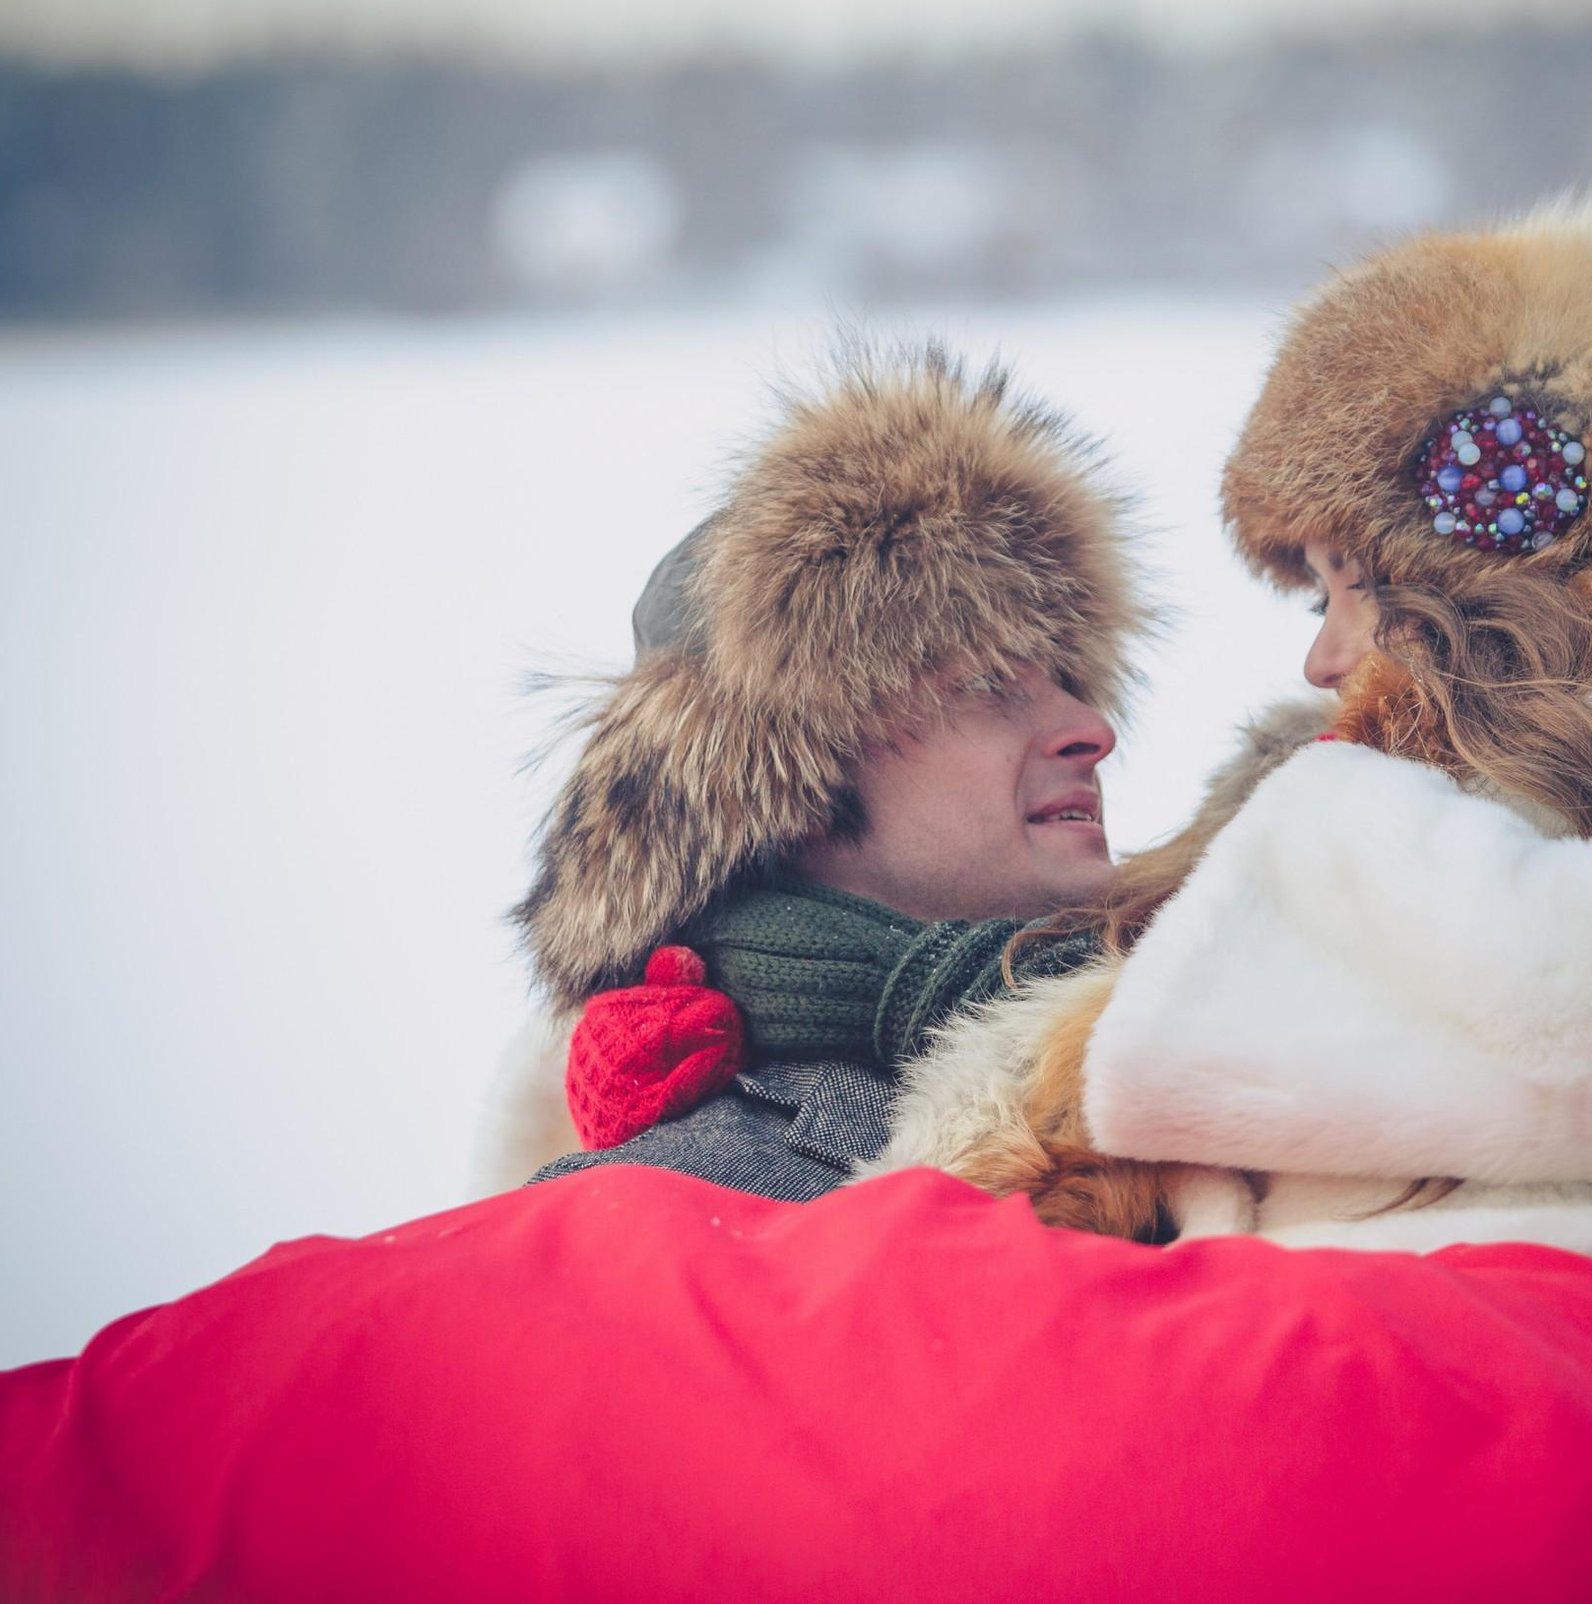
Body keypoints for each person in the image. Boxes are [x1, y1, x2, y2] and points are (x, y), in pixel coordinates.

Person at [871, 190, 1592, 1477]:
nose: (1323, 657)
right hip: (1388, 1368)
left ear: (1485, 542)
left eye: (1348, 585)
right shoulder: (1451, 769)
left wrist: (1315, 866)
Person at [469, 340, 1192, 1203]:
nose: (1093, 732)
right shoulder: (672, 1205)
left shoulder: (1239, 1061)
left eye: (1070, 682)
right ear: (791, 788)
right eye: (989, 685)